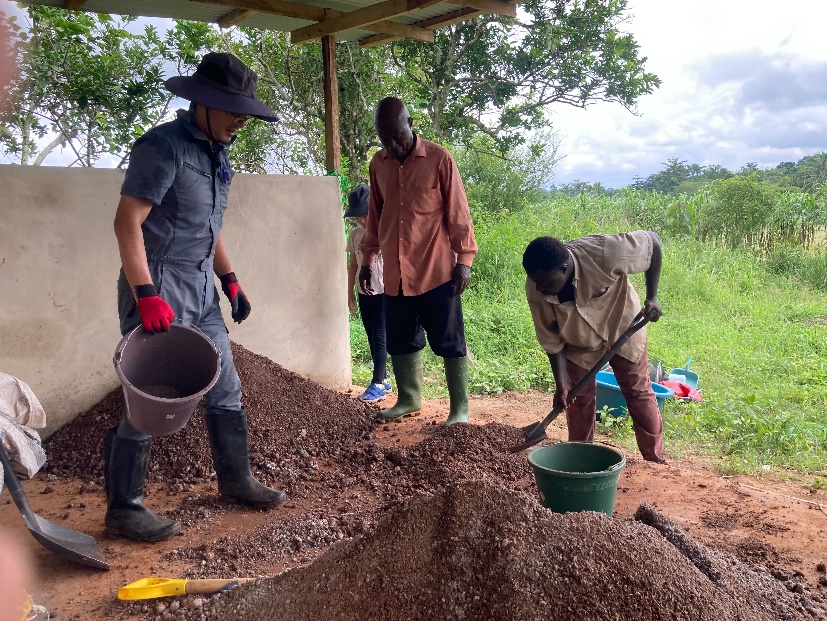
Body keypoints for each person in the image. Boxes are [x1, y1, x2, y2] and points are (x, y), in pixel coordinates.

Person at [110, 52, 286, 542]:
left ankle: (235, 480)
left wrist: (230, 281)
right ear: (202, 103)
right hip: (159, 285)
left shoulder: (217, 154)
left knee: (225, 386)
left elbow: (212, 228)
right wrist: (144, 292)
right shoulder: (162, 147)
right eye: (232, 110)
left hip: (201, 288)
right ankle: (124, 508)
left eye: (244, 112)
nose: (240, 121)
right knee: (150, 398)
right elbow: (128, 222)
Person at [359, 97, 478, 426]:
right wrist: (368, 258)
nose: (392, 144)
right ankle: (409, 398)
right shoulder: (378, 164)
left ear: (410, 125)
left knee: (449, 340)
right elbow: (375, 217)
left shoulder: (440, 159)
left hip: (436, 271)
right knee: (400, 337)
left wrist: (464, 259)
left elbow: (458, 214)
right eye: (384, 138)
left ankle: (459, 409)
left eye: (397, 135)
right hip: (395, 275)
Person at [522, 231, 667, 464]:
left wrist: (653, 297)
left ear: (564, 268)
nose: (540, 289)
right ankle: (581, 458)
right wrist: (562, 384)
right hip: (579, 342)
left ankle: (656, 461)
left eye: (546, 283)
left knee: (637, 390)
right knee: (578, 398)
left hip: (621, 324)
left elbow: (654, 242)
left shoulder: (604, 252)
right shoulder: (536, 287)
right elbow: (552, 340)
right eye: (536, 282)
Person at [345, 184, 392, 402]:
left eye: (364, 215)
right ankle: (383, 378)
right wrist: (349, 293)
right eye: (357, 217)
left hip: (384, 291)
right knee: (371, 335)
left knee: (381, 335)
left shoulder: (386, 230)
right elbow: (353, 265)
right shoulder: (355, 235)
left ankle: (377, 383)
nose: (362, 221)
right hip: (363, 292)